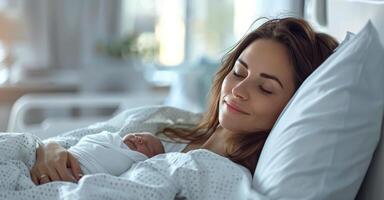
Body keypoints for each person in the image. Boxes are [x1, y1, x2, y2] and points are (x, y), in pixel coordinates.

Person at [30, 17, 339, 185]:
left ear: (292, 108)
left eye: (266, 89)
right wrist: (50, 150)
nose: (239, 90)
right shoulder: (164, 119)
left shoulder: (222, 177)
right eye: (239, 72)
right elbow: (64, 140)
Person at [62, 131, 165, 180]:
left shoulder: (136, 165)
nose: (139, 139)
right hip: (69, 158)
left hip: (82, 177)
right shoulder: (109, 137)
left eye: (146, 145)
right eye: (137, 134)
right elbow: (87, 141)